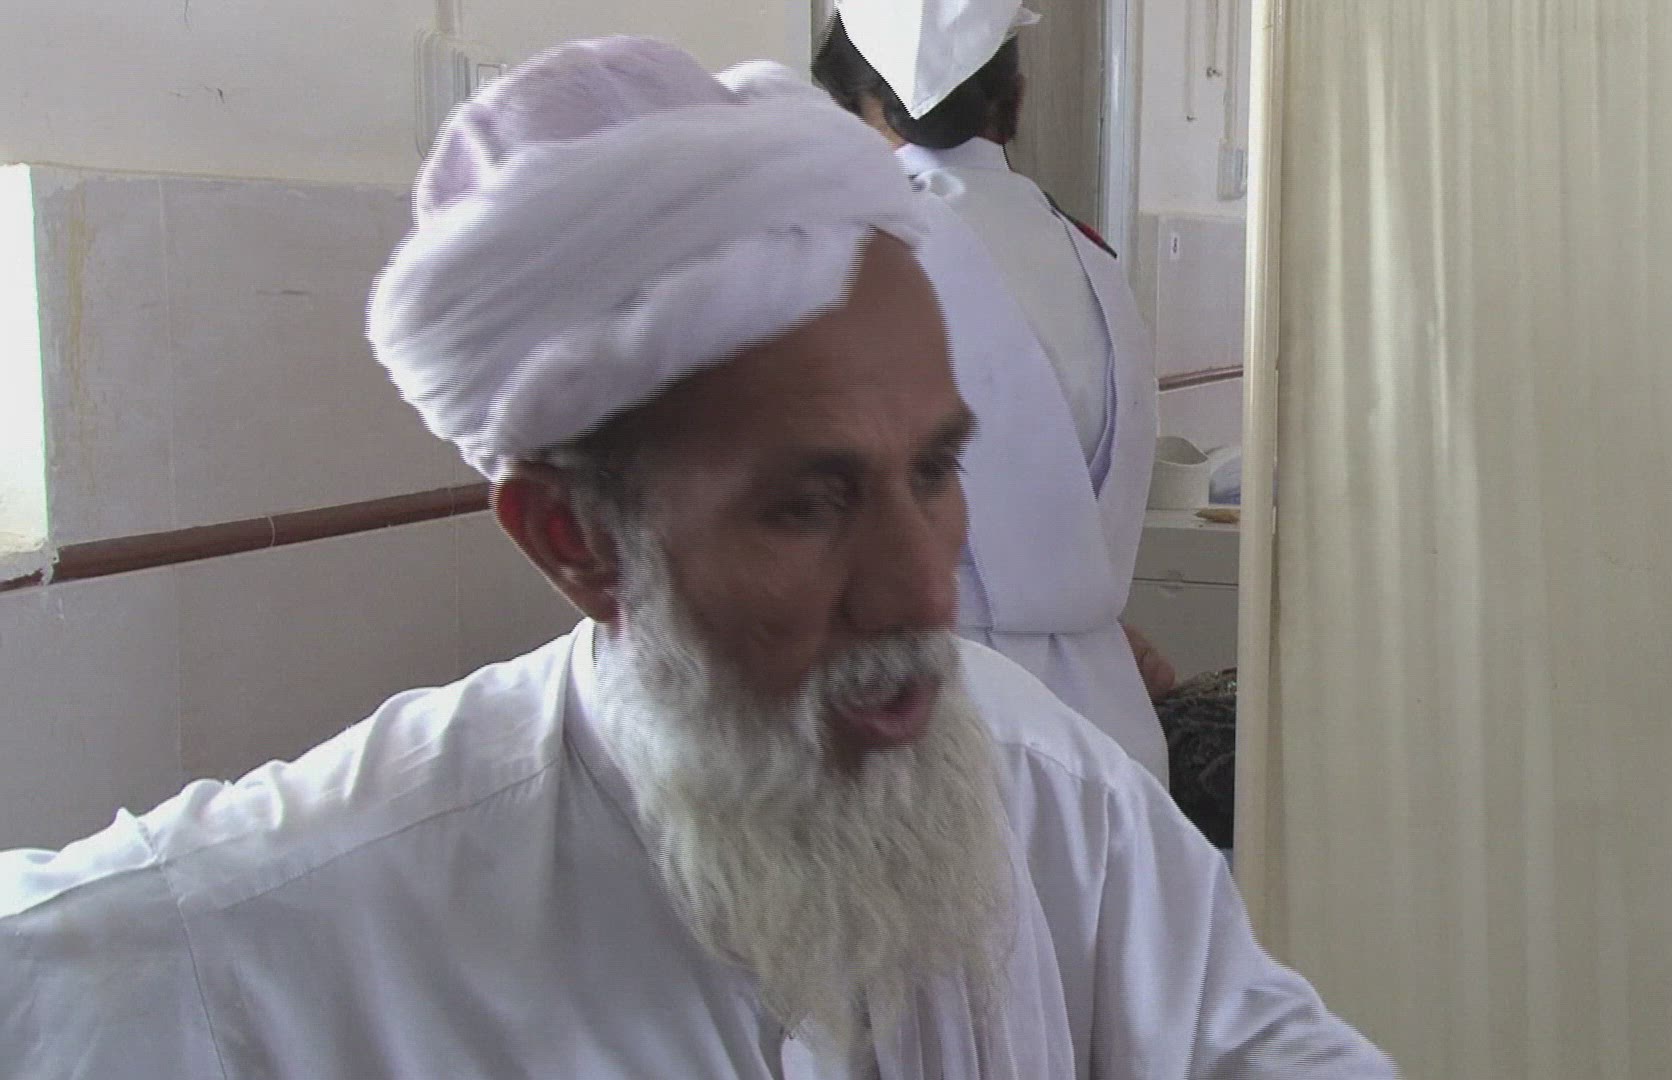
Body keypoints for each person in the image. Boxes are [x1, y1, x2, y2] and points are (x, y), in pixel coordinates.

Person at [0, 38, 1393, 1078]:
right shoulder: (279, 938)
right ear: (574, 543)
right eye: (808, 506)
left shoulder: (1051, 791)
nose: (923, 592)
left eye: (934, 471)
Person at [817, 0, 1177, 783]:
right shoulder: (1091, 258)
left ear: (850, 106)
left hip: (926, 717)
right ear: (1014, 101)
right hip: (1108, 724)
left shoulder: (860, 256)